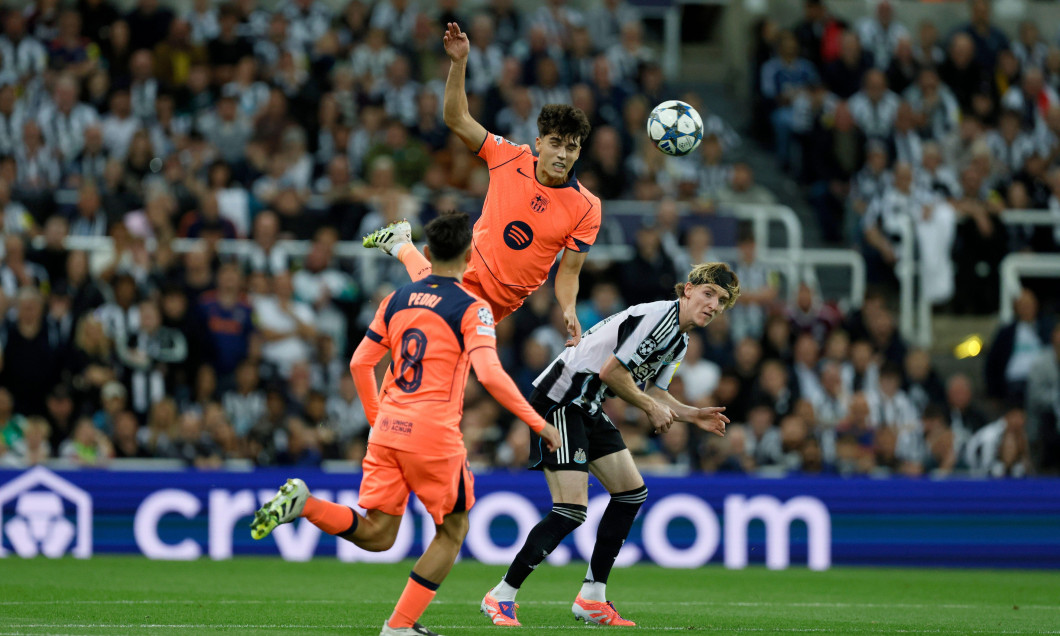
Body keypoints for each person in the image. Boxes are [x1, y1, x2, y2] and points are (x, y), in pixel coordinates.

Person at [250, 212, 561, 636]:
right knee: (453, 532)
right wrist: (539, 423)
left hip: (387, 430)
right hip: (433, 435)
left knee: (379, 534)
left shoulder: (395, 300)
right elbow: (489, 375)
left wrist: (379, 421)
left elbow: (361, 363)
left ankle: (307, 504)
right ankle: (399, 627)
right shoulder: (474, 308)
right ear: (471, 255)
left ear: (428, 254)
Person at [480, 262, 739, 627]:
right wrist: (650, 408)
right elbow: (612, 374)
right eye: (709, 293)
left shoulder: (680, 338)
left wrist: (692, 415)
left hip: (587, 403)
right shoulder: (659, 318)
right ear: (688, 290)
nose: (713, 304)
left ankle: (592, 598)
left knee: (631, 493)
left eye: (722, 301)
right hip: (561, 398)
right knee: (570, 508)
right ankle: (501, 595)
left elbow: (656, 392)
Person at [362, 22, 600, 346]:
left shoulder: (587, 207)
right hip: (470, 268)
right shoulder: (509, 157)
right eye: (555, 143)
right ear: (539, 142)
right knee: (441, 343)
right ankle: (401, 245)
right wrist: (458, 63)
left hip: (505, 301)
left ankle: (401, 243)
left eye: (571, 148)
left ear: (579, 152)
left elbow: (569, 272)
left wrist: (569, 308)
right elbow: (457, 118)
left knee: (446, 346)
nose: (562, 154)